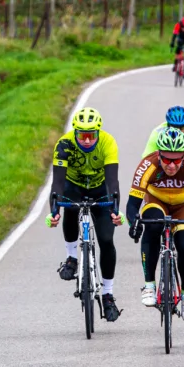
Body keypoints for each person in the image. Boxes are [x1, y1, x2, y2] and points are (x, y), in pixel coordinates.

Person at [47, 107, 124, 322]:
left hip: (100, 189)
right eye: (83, 135)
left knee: (107, 240)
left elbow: (112, 181)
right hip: (74, 186)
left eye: (92, 135)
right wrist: (54, 211)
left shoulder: (108, 143)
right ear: (75, 133)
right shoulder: (64, 144)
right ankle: (72, 258)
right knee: (69, 207)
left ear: (98, 132)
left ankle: (107, 295)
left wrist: (115, 210)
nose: (88, 140)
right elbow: (58, 183)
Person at [127, 127, 184, 323]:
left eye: (176, 160)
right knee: (153, 226)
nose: (171, 165)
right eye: (166, 159)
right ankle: (149, 284)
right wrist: (134, 222)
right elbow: (132, 204)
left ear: (183, 156)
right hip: (157, 202)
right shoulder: (148, 164)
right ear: (159, 155)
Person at [142, 105, 184, 170]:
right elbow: (147, 155)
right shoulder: (157, 132)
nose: (178, 131)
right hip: (165, 159)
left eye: (182, 128)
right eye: (175, 127)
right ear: (168, 125)